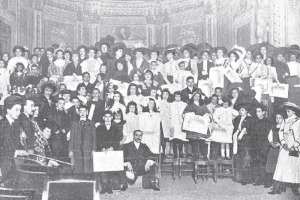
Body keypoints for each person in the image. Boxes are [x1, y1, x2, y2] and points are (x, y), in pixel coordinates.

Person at [272, 102, 300, 196]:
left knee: (293, 167)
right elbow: (280, 132)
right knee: (281, 166)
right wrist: (283, 143)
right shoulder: (285, 120)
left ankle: (295, 188)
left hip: (293, 147)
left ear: (294, 110)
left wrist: (294, 146)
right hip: (284, 147)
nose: (287, 111)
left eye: (290, 109)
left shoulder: (298, 121)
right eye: (287, 109)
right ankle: (278, 187)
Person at [0, 96, 29, 186]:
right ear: (8, 110)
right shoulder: (1, 125)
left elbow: (17, 144)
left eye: (20, 110)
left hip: (14, 166)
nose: (19, 113)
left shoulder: (16, 125)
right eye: (16, 110)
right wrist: (16, 152)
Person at [96, 110, 123, 194]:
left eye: (109, 117)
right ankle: (104, 187)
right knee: (103, 168)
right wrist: (102, 148)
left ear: (112, 117)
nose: (107, 119)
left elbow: (118, 138)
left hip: (112, 150)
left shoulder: (116, 127)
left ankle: (109, 187)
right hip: (103, 150)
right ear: (103, 118)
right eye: (106, 117)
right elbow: (97, 139)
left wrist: (112, 147)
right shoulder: (99, 128)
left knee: (111, 168)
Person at [69, 105, 96, 173]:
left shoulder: (91, 123)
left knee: (87, 167)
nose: (82, 113)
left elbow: (94, 138)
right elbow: (71, 137)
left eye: (84, 111)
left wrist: (93, 149)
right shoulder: (74, 124)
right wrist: (70, 150)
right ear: (78, 112)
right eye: (80, 111)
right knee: (78, 167)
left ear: (87, 112)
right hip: (77, 149)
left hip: (88, 149)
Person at [183, 92, 210, 159]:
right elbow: (184, 114)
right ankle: (196, 155)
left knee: (202, 141)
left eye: (198, 96)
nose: (197, 98)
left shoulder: (203, 105)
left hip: (201, 127)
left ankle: (204, 155)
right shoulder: (189, 105)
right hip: (193, 127)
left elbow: (208, 113)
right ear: (193, 97)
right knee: (194, 141)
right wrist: (190, 115)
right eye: (195, 96)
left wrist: (206, 115)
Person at [250, 104, 272, 187]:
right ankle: (258, 180)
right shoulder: (254, 121)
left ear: (263, 112)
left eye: (259, 111)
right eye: (256, 111)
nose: (257, 113)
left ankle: (267, 181)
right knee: (256, 163)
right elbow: (252, 133)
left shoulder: (268, 122)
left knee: (264, 164)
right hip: (255, 145)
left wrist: (264, 146)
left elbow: (268, 135)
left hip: (264, 145)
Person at [232, 103, 252, 185]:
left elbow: (251, 130)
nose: (241, 111)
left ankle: (245, 179)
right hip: (238, 141)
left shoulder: (250, 119)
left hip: (246, 141)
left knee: (246, 160)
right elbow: (235, 128)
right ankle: (238, 177)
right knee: (238, 159)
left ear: (246, 111)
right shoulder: (237, 118)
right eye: (240, 110)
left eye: (243, 110)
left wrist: (244, 132)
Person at [265, 112, 284, 190]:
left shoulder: (285, 127)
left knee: (280, 166)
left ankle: (281, 186)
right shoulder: (273, 127)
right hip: (273, 148)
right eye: (276, 118)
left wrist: (280, 144)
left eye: (280, 118)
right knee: (271, 165)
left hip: (281, 149)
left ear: (283, 119)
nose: (278, 120)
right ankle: (272, 183)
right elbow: (270, 136)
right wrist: (271, 143)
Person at [170, 91, 187, 158]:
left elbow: (186, 113)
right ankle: (174, 153)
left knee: (181, 138)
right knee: (173, 138)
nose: (177, 98)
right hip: (173, 123)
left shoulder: (184, 104)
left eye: (179, 96)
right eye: (176, 96)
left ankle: (181, 152)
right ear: (174, 97)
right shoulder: (171, 104)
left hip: (181, 123)